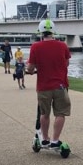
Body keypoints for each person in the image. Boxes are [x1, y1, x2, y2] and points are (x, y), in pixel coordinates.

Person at [26, 19, 71, 149]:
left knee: (44, 114)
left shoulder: (35, 47)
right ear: (53, 31)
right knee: (60, 113)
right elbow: (67, 63)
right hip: (60, 85)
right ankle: (55, 140)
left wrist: (31, 70)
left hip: (43, 86)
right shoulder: (62, 46)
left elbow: (30, 68)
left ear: (40, 32)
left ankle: (45, 140)